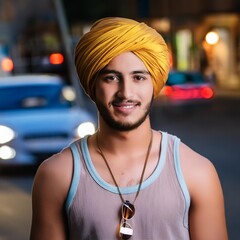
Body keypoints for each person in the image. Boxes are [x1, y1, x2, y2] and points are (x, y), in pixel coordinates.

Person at [30, 17, 228, 240]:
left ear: (153, 85)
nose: (125, 92)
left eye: (138, 77)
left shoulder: (197, 172)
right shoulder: (57, 175)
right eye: (111, 77)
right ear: (92, 86)